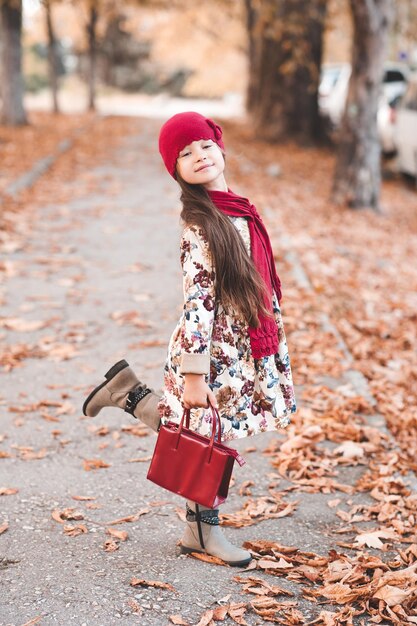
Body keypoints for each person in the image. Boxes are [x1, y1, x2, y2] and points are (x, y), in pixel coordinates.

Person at [82, 112, 297, 567]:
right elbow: (198, 303)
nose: (198, 156)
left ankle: (129, 393)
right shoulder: (200, 226)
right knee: (207, 438)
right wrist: (195, 374)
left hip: (242, 346)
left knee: (207, 434)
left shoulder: (239, 209)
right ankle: (203, 535)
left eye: (203, 146)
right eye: (184, 153)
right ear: (175, 170)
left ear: (220, 148)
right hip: (213, 351)